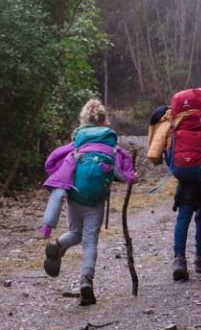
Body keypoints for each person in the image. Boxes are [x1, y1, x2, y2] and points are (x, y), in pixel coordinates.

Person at [40, 98, 137, 305]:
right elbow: (123, 172)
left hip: (75, 194)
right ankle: (86, 282)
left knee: (76, 233)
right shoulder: (110, 143)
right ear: (104, 120)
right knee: (90, 240)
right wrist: (130, 176)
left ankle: (58, 245)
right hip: (96, 198)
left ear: (83, 119)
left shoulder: (78, 141)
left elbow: (53, 161)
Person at [147, 86, 201, 281]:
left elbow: (160, 142)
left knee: (184, 214)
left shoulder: (176, 115)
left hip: (183, 170)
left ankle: (179, 260)